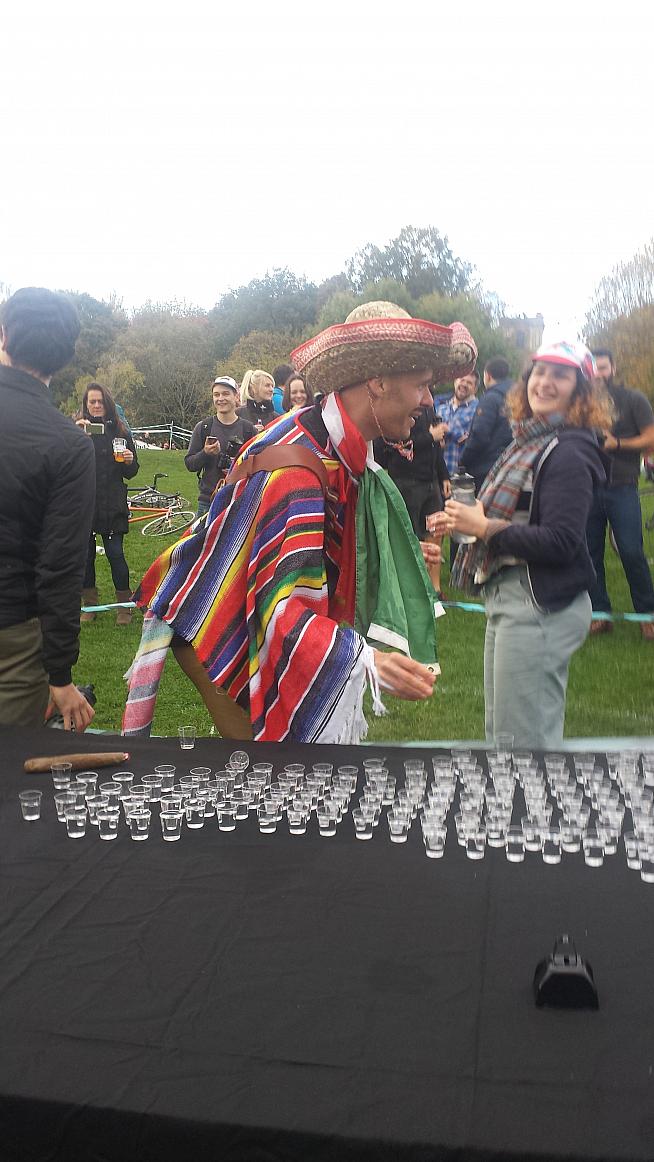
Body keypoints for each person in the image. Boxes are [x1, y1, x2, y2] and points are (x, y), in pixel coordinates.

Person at [123, 301, 477, 743]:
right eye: (422, 385)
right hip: (213, 623)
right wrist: (367, 661)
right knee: (276, 773)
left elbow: (332, 549)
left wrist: (391, 558)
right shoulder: (299, 470)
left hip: (239, 615)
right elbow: (280, 608)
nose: (428, 401)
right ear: (379, 382)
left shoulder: (333, 444)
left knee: (289, 771)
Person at [434, 342, 610, 750]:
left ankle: (533, 798)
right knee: (505, 738)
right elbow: (521, 513)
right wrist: (469, 520)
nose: (544, 382)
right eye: (539, 372)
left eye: (560, 375)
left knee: (523, 747)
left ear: (581, 391)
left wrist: (485, 527)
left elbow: (562, 541)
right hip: (511, 596)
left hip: (538, 603)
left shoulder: (568, 450)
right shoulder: (529, 440)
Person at [0, 287, 95, 731]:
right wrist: (60, 674)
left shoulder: (67, 444)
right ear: (66, 357)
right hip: (13, 636)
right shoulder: (68, 445)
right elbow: (60, 565)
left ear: (4, 335)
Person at [586, 349, 654, 640]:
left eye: (603, 367)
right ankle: (600, 614)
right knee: (589, 553)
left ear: (613, 368)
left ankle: (647, 614)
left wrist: (618, 443)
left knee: (631, 550)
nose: (598, 374)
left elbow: (650, 438)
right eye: (593, 369)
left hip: (622, 486)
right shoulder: (582, 403)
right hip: (587, 487)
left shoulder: (633, 399)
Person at [77, 382, 140, 626]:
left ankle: (124, 607)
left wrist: (129, 461)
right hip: (85, 503)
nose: (96, 405)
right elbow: (65, 464)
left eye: (100, 401)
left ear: (108, 404)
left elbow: (131, 472)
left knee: (115, 554)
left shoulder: (121, 432)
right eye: (91, 401)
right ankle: (90, 605)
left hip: (112, 502)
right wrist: (76, 438)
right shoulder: (78, 430)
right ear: (86, 405)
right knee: (85, 557)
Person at [373, 403, 450, 594]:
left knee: (435, 532)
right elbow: (392, 445)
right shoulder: (397, 407)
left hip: (431, 480)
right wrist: (430, 437)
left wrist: (444, 475)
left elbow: (436, 444)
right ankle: (411, 589)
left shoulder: (428, 406)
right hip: (407, 481)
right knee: (409, 537)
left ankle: (435, 589)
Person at [185, 377, 257, 517]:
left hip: (239, 500)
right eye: (216, 395)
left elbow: (257, 466)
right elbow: (190, 464)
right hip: (208, 500)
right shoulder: (204, 427)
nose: (220, 398)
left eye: (225, 394)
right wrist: (205, 453)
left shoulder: (248, 430)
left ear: (236, 396)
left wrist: (237, 466)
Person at [459, 357, 513, 492]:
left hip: (484, 469)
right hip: (507, 466)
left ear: (487, 375)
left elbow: (480, 435)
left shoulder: (490, 398)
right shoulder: (513, 398)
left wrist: (462, 461)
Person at [432, 370, 479, 478]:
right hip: (436, 474)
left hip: (461, 477)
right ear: (455, 381)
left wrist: (446, 431)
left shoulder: (478, 410)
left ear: (475, 389)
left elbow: (472, 440)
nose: (464, 384)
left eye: (469, 383)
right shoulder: (441, 408)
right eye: (462, 380)